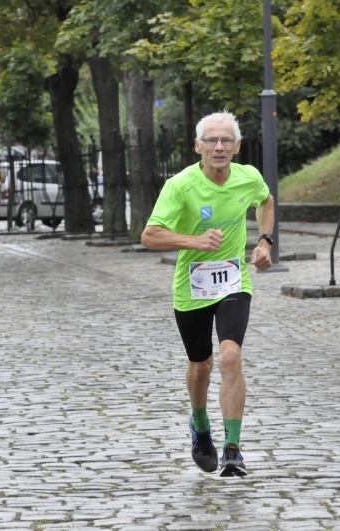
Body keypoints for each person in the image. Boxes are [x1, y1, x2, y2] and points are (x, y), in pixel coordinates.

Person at [141, 111, 275, 477]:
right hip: (192, 287)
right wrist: (194, 241)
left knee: (230, 357)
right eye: (211, 141)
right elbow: (150, 236)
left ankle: (233, 448)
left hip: (234, 282)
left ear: (237, 146)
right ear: (197, 146)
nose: (219, 147)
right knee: (201, 365)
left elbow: (265, 200)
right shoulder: (181, 185)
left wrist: (265, 240)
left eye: (226, 140)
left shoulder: (248, 177)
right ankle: (200, 426)